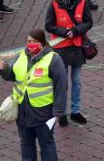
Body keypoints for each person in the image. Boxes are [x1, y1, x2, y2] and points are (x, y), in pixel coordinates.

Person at [0, 29, 67, 159]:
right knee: (26, 144)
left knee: (46, 145)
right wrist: (4, 69)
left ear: (42, 43)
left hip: (43, 113)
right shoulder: (21, 56)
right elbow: (13, 75)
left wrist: (58, 111)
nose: (31, 44)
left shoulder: (53, 59)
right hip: (22, 112)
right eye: (29, 41)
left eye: (34, 41)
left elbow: (61, 86)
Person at [44, 0, 93, 126]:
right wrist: (65, 32)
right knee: (62, 82)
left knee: (76, 80)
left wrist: (76, 30)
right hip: (61, 48)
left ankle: (76, 111)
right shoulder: (54, 4)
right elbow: (49, 25)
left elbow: (88, 22)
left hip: (77, 45)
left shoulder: (83, 1)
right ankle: (62, 113)